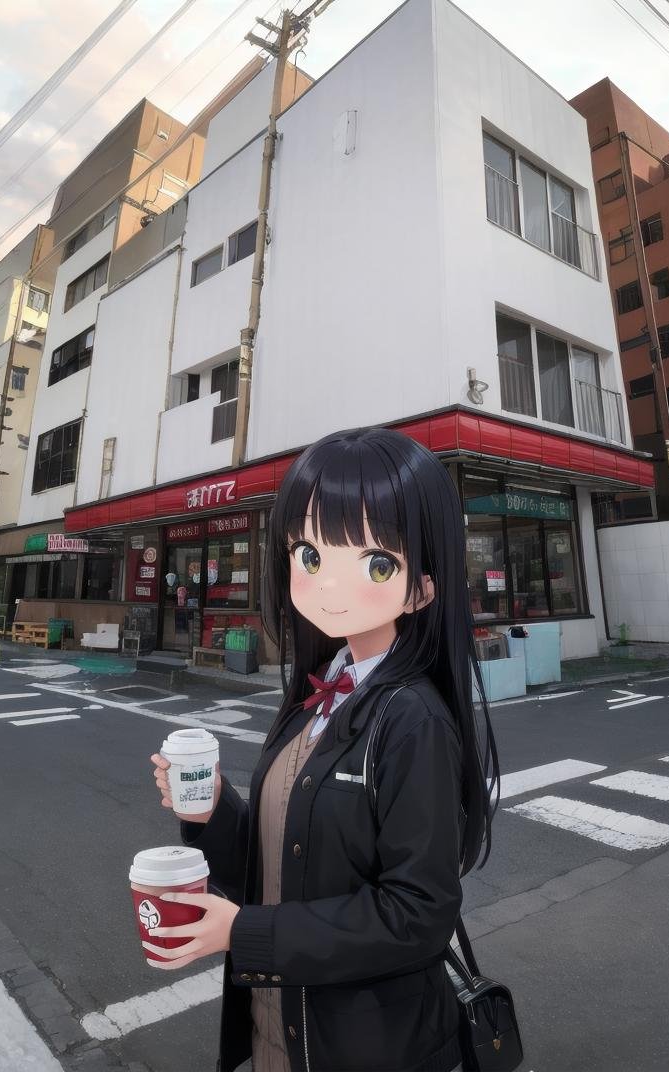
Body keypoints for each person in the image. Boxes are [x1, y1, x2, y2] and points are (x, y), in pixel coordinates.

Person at [149, 426, 500, 1072]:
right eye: (310, 556)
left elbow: (417, 914)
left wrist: (242, 933)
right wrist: (212, 809)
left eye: (374, 563)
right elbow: (285, 855)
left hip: (368, 1051)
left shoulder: (412, 718)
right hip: (282, 1035)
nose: (328, 584)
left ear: (423, 587)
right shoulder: (321, 690)